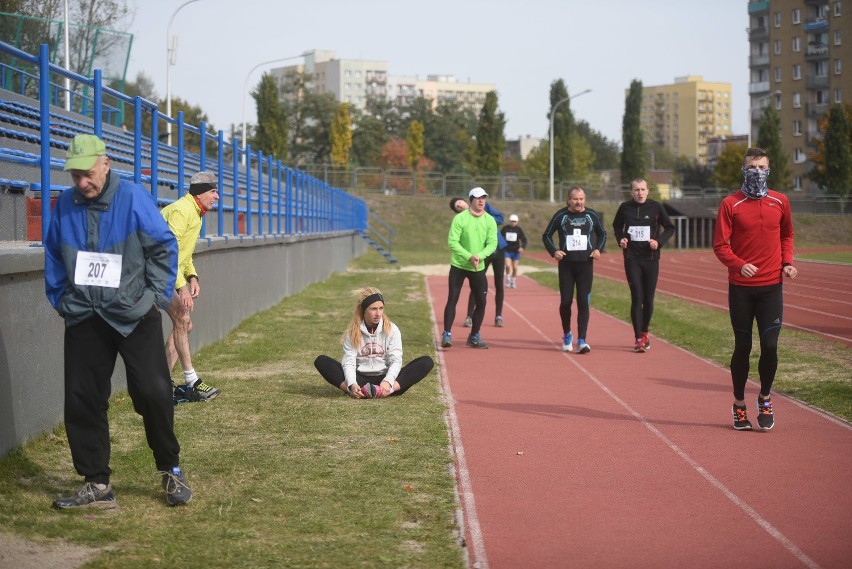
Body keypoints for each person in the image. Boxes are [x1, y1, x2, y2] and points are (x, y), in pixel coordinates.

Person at [44, 134, 191, 509]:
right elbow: (54, 255)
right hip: (84, 316)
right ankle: (96, 484)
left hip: (133, 314)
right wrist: (63, 301)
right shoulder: (65, 204)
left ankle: (170, 469)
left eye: (88, 174)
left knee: (154, 391)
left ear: (105, 164)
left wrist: (153, 296)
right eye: (75, 175)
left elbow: (163, 246)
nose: (81, 182)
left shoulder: (132, 198)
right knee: (83, 399)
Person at [713, 147, 796, 431]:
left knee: (770, 347)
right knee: (743, 347)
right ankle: (738, 405)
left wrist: (788, 262)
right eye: (752, 167)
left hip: (772, 287)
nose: (757, 172)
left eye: (762, 167)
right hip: (741, 289)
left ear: (768, 170)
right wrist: (738, 264)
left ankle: (765, 397)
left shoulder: (781, 201)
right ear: (743, 169)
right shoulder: (730, 204)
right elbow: (720, 246)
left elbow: (787, 235)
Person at [161, 171, 221, 403]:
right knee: (182, 319)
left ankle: (163, 385)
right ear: (201, 192)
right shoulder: (180, 210)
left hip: (162, 272)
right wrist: (181, 287)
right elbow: (168, 251)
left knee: (184, 323)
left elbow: (183, 255)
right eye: (213, 191)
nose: (216, 197)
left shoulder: (195, 213)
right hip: (148, 272)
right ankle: (192, 382)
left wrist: (192, 276)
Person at [314, 288, 434, 398]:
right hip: (360, 379)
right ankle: (355, 391)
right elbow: (349, 361)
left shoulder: (392, 329)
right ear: (364, 310)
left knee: (426, 362)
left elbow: (396, 360)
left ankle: (387, 391)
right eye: (373, 309)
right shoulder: (353, 332)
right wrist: (352, 383)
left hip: (385, 379)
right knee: (321, 361)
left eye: (381, 308)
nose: (378, 313)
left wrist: (387, 381)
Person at [612, 179, 675, 353]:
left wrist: (659, 242)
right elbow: (617, 226)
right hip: (632, 258)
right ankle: (638, 338)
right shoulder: (625, 208)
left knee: (648, 299)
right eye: (636, 190)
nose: (640, 193)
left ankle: (645, 332)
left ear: (648, 191)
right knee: (637, 297)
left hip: (651, 259)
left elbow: (670, 228)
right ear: (631, 192)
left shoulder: (656, 207)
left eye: (643, 189)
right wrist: (621, 239)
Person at [542, 186, 607, 354]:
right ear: (568, 200)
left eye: (582, 199)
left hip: (586, 265)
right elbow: (546, 235)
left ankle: (582, 340)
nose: (579, 202)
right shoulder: (561, 215)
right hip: (567, 265)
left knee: (583, 303)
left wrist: (598, 249)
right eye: (575, 199)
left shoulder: (591, 215)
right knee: (566, 302)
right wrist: (554, 252)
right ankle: (567, 334)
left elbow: (603, 234)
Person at [441, 187, 498, 349]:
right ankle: (447, 334)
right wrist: (469, 256)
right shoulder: (460, 219)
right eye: (478, 198)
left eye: (484, 198)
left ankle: (474, 335)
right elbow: (453, 242)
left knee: (481, 302)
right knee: (453, 298)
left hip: (478, 267)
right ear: (471, 200)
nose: (481, 201)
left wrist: (479, 256)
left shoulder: (489, 220)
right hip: (459, 265)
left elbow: (492, 243)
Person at [449, 196, 507, 328]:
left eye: (460, 203)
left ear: (466, 201)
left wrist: (486, 218)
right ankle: (469, 316)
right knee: (477, 284)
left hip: (498, 249)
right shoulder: (463, 219)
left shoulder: (484, 207)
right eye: (457, 207)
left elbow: (501, 218)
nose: (460, 206)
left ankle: (498, 316)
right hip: (480, 254)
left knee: (499, 283)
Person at [501, 214, 528, 288]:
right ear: (509, 221)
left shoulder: (519, 230)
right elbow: (500, 238)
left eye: (515, 221)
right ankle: (508, 278)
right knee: (508, 265)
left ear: (517, 222)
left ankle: (513, 279)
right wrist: (502, 247)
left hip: (516, 251)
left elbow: (524, 240)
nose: (513, 222)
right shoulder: (505, 229)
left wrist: (522, 247)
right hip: (507, 250)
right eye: (512, 221)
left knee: (515, 268)